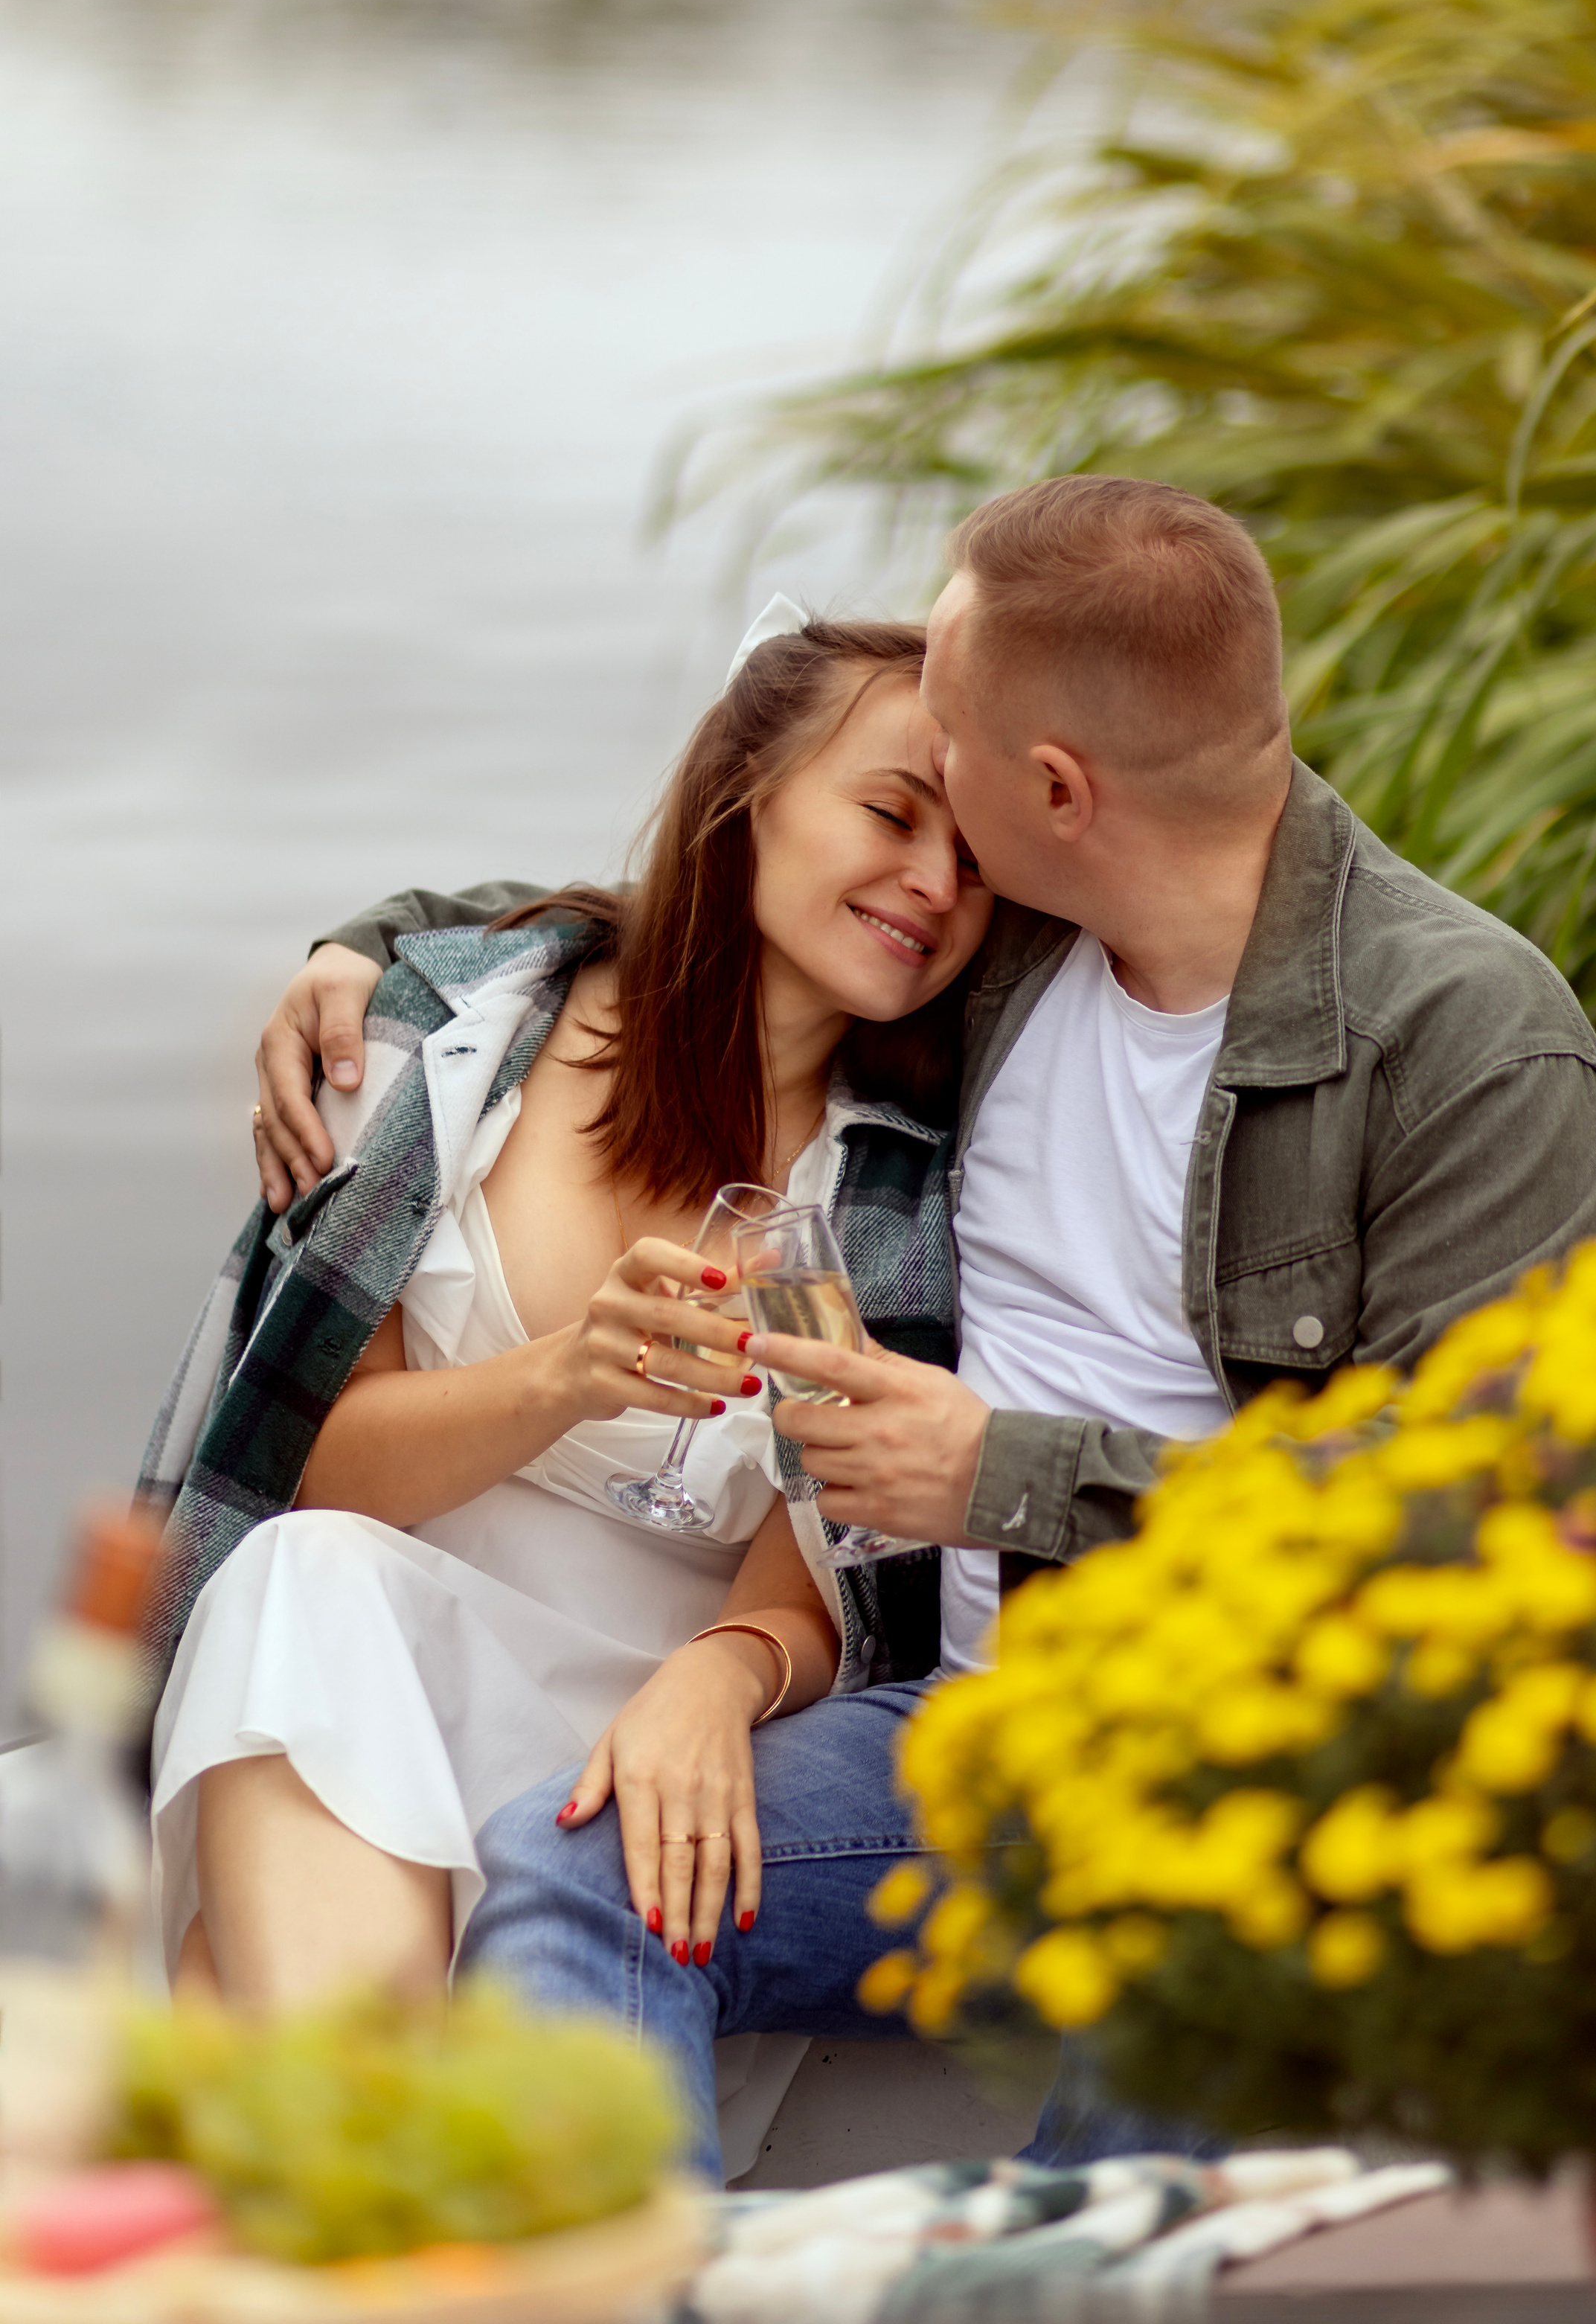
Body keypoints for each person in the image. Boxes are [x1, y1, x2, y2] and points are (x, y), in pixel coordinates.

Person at [255, 477, 1596, 2181]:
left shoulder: (1472, 1051)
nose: (937, 841)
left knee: (1182, 1985)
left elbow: (1484, 1523)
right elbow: (712, 901)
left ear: (1051, 791)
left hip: (1283, 1778)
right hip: (964, 1742)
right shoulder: (1012, 959)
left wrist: (1005, 1473)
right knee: (587, 1867)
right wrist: (376, 954)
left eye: (957, 760)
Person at [138, 615, 992, 2183]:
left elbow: (827, 1551)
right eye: (889, 814)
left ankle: (342, 2183)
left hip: (649, 1722)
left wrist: (727, 1678)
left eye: (974, 854)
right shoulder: (462, 1053)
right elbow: (317, 1473)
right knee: (298, 1581)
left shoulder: (885, 1186)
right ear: (747, 791)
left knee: (220, 1982)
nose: (935, 881)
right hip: (377, 1648)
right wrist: (560, 1378)